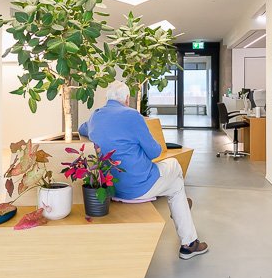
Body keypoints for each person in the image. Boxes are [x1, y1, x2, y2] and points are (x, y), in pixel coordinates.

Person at [79, 81, 208, 260]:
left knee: (175, 186)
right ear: (126, 99)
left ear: (107, 98)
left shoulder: (96, 116)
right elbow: (154, 152)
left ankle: (187, 230)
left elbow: (81, 129)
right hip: (138, 186)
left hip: (110, 187)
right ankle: (188, 242)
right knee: (175, 169)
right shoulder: (132, 115)